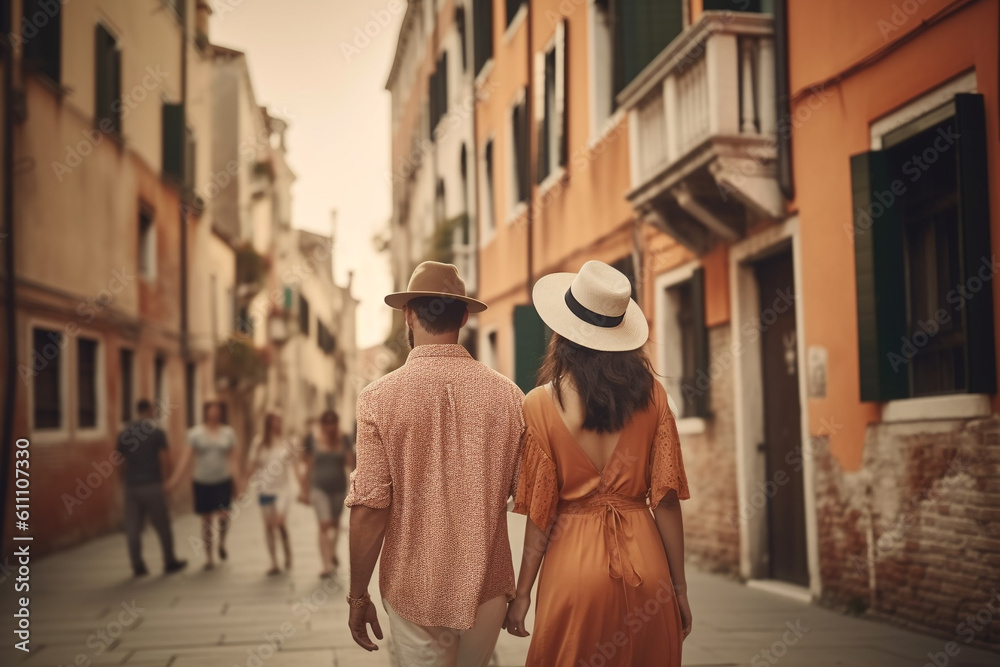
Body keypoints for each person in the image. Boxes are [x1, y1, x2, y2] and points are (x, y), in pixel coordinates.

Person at [503, 260, 693, 666]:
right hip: (649, 570)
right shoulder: (655, 398)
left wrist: (523, 595)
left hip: (572, 572)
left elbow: (540, 514)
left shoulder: (538, 404)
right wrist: (679, 589)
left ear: (563, 335)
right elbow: (667, 501)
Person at [345, 261, 525, 666]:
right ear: (463, 316)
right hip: (487, 585)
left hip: (413, 588)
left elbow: (369, 508)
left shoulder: (378, 398)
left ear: (408, 314)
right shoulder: (509, 397)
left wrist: (358, 596)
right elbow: (525, 492)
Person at [166, 400, 242, 570]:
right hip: (202, 481)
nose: (214, 413)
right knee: (206, 521)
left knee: (224, 516)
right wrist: (174, 481)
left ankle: (222, 542)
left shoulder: (228, 433)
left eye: (217, 409)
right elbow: (186, 459)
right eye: (211, 409)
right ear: (206, 412)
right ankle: (209, 557)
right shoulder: (196, 433)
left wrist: (239, 485)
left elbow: (234, 460)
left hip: (223, 480)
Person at [117, 399, 187, 577]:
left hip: (132, 486)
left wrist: (123, 482)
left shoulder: (124, 434)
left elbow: (119, 462)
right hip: (153, 485)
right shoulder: (157, 433)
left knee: (133, 527)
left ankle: (138, 565)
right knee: (163, 525)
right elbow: (165, 459)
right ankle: (169, 560)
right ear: (149, 411)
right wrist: (167, 482)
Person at [297, 409, 355, 578]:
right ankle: (327, 565)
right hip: (318, 487)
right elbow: (307, 466)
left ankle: (331, 552)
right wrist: (304, 490)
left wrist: (355, 486)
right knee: (324, 525)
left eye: (333, 423)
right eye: (327, 424)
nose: (330, 427)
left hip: (338, 487)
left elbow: (350, 464)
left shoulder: (344, 439)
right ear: (322, 425)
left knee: (335, 524)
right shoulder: (313, 439)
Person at [247, 413, 294, 575]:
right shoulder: (259, 442)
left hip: (283, 489)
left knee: (280, 522)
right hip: (264, 489)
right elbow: (252, 464)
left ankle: (287, 551)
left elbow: (295, 464)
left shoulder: (286, 442)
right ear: (268, 423)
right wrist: (242, 486)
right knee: (268, 526)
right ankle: (274, 561)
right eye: (274, 421)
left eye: (279, 420)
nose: (277, 424)